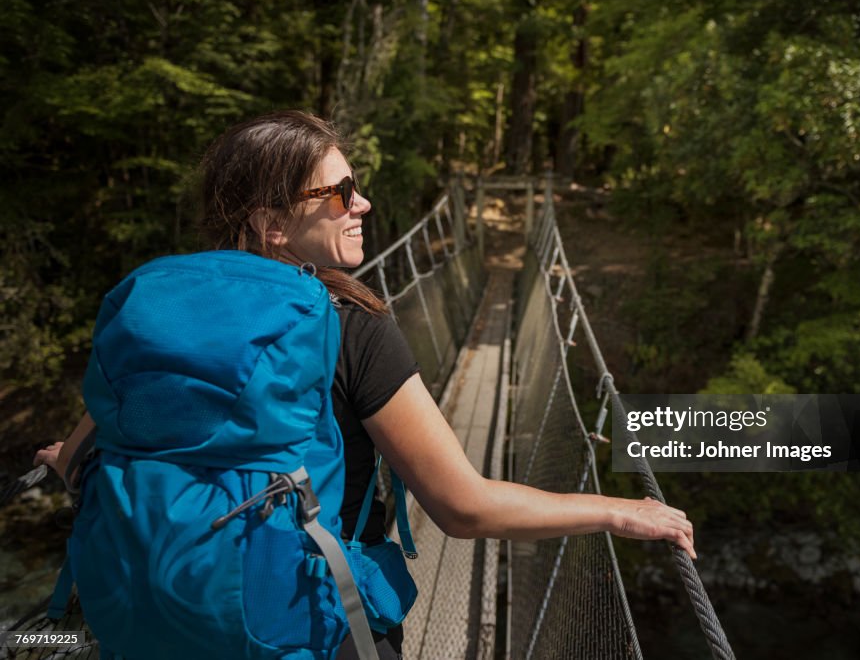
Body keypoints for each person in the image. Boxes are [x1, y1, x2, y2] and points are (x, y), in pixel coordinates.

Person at [35, 110, 696, 659]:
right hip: (313, 626)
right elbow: (462, 509)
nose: (363, 204)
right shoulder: (347, 325)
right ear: (274, 225)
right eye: (341, 193)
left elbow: (75, 463)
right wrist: (615, 510)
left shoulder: (152, 313)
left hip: (160, 623)